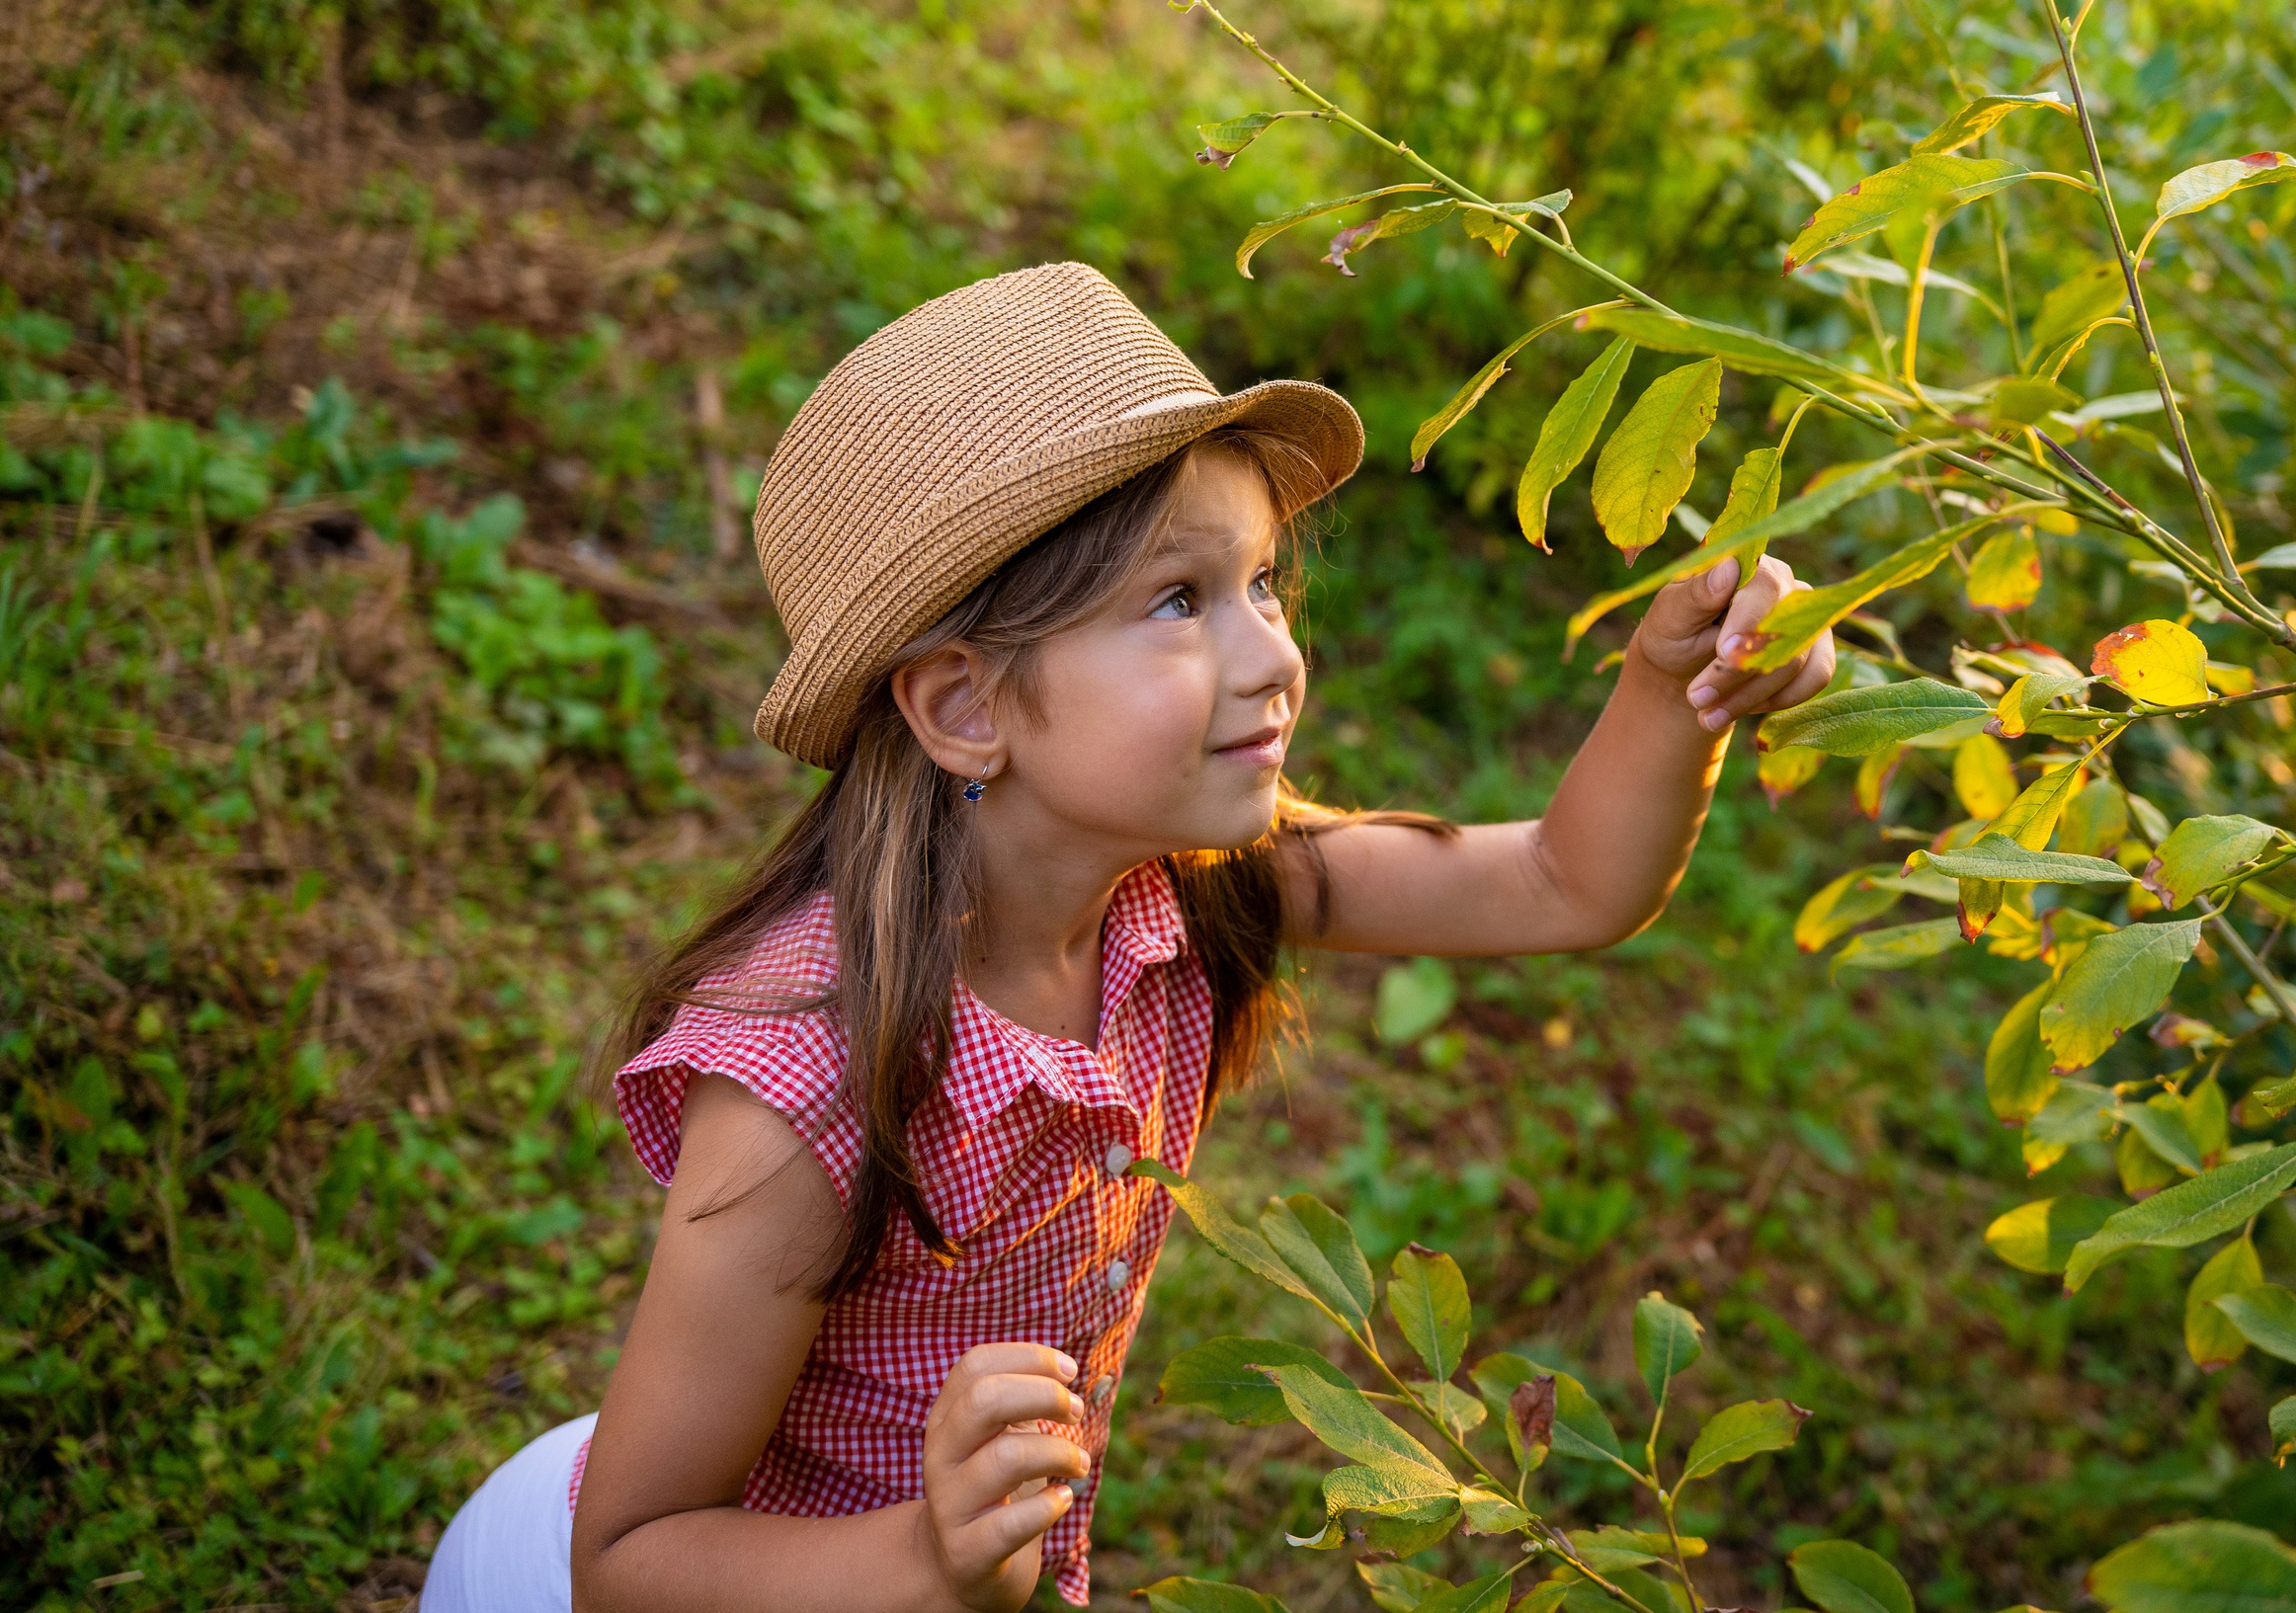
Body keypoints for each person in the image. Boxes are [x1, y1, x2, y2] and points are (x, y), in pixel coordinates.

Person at [417, 262, 1834, 1613]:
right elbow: (633, 1560)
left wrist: (1677, 688)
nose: (1274, 652)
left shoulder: (1197, 885)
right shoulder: (812, 1082)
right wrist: (928, 1564)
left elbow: (1559, 886)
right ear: (965, 707)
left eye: (1264, 583)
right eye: (1178, 600)